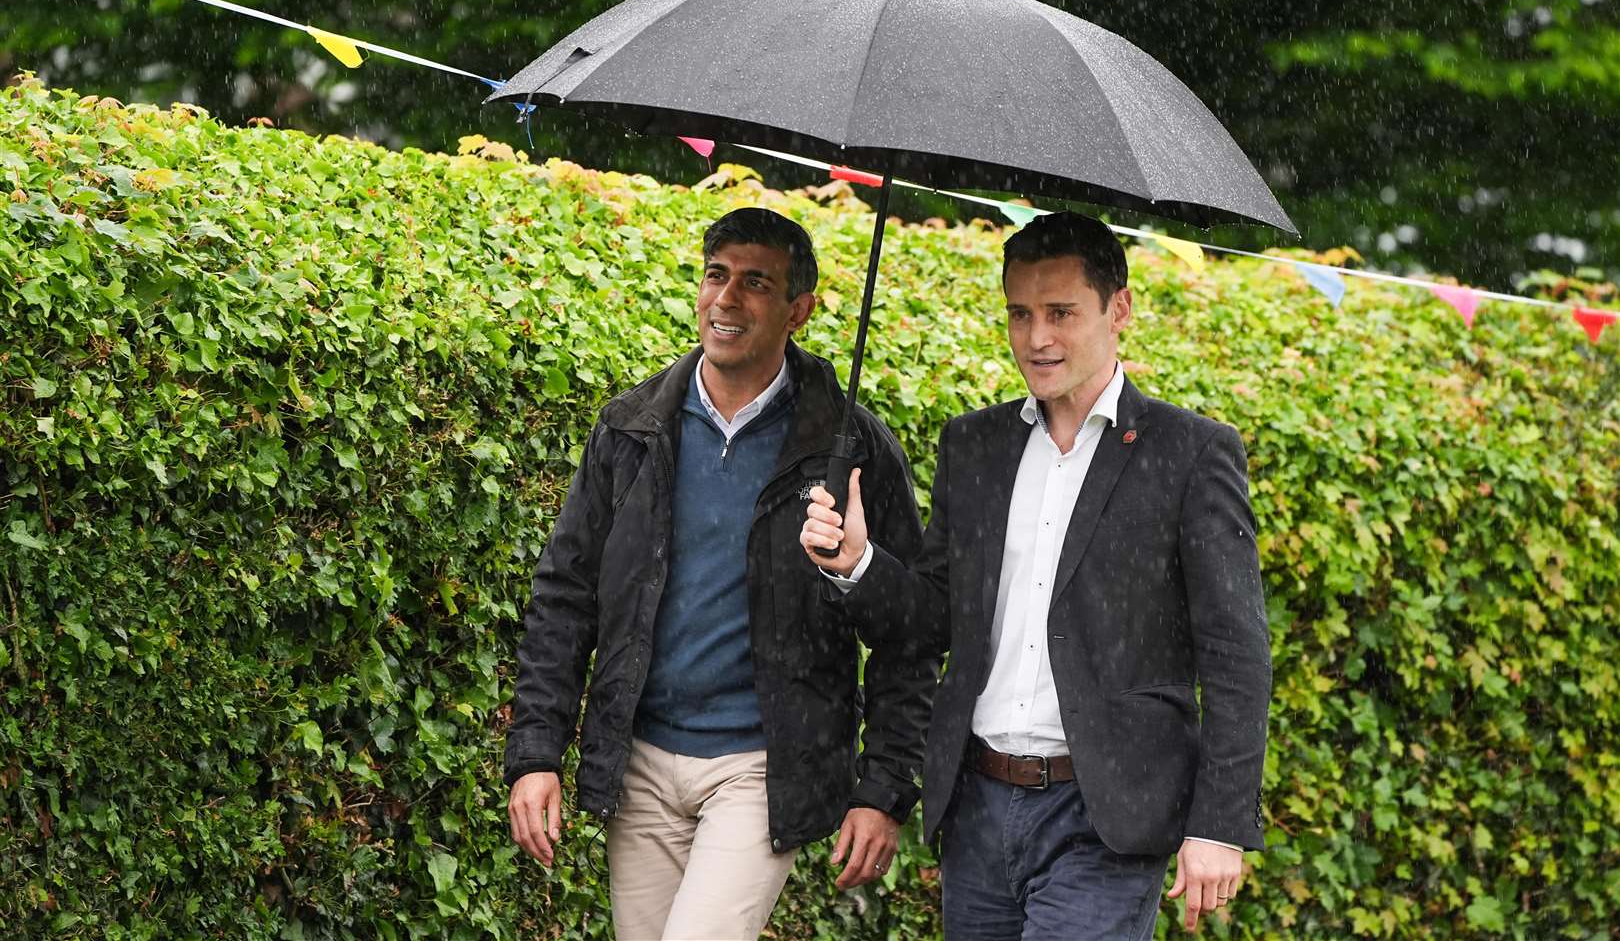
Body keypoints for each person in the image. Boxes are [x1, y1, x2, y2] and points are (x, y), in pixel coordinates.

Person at [801, 211, 1271, 939]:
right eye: (1020, 314)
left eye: (1060, 313)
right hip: (979, 806)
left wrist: (1218, 824)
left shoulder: (1191, 453)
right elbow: (931, 623)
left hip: (1105, 817)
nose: (1037, 338)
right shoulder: (974, 445)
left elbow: (1237, 655)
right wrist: (858, 562)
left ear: (1120, 308)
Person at [506, 207, 933, 941]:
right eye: (716, 275)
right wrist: (536, 752)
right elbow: (565, 596)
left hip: (758, 771)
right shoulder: (632, 427)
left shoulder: (849, 447)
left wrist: (885, 789)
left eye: (756, 283)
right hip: (640, 761)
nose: (726, 299)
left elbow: (916, 630)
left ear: (799, 309)